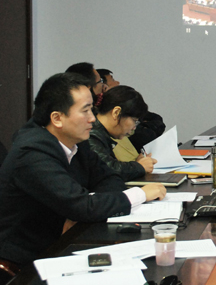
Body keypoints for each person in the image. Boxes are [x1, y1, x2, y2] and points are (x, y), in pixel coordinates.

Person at [0, 73, 165, 280]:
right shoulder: (32, 152)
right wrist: (140, 194)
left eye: (92, 109)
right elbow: (81, 205)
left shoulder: (77, 141)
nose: (93, 118)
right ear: (57, 118)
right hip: (26, 261)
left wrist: (87, 207)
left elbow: (107, 178)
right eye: (85, 110)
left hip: (65, 242)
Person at [88, 85, 158, 181]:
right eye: (134, 120)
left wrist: (137, 164)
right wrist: (139, 167)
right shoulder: (91, 134)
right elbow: (106, 170)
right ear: (116, 112)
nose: (134, 127)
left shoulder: (99, 132)